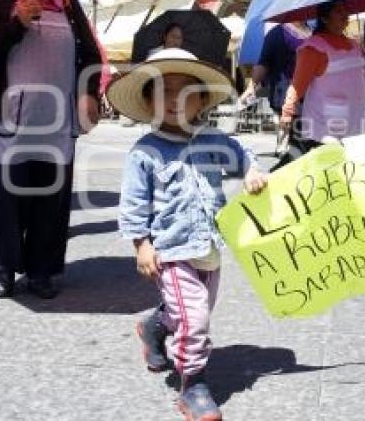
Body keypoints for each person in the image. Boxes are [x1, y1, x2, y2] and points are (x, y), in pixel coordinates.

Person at [109, 47, 267, 421]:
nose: (176, 100)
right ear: (149, 101)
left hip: (210, 246)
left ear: (201, 101)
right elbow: (133, 204)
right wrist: (141, 244)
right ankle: (192, 385)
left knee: (193, 310)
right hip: (173, 250)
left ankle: (153, 327)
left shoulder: (214, 140)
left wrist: (250, 173)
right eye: (165, 91)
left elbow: (241, 154)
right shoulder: (145, 152)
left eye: (187, 92)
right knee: (195, 319)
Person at [0, 0, 104, 300]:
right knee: (5, 201)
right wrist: (16, 23)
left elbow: (90, 54)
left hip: (56, 121)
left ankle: (42, 269)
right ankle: (5, 264)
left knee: (51, 202)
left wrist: (89, 92)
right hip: (7, 122)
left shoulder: (69, 4)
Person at [279, 0, 365, 158]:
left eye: (345, 10)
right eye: (338, 11)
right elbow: (298, 84)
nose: (345, 14)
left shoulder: (354, 45)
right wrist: (287, 112)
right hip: (325, 129)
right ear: (324, 18)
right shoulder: (313, 48)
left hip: (356, 121)